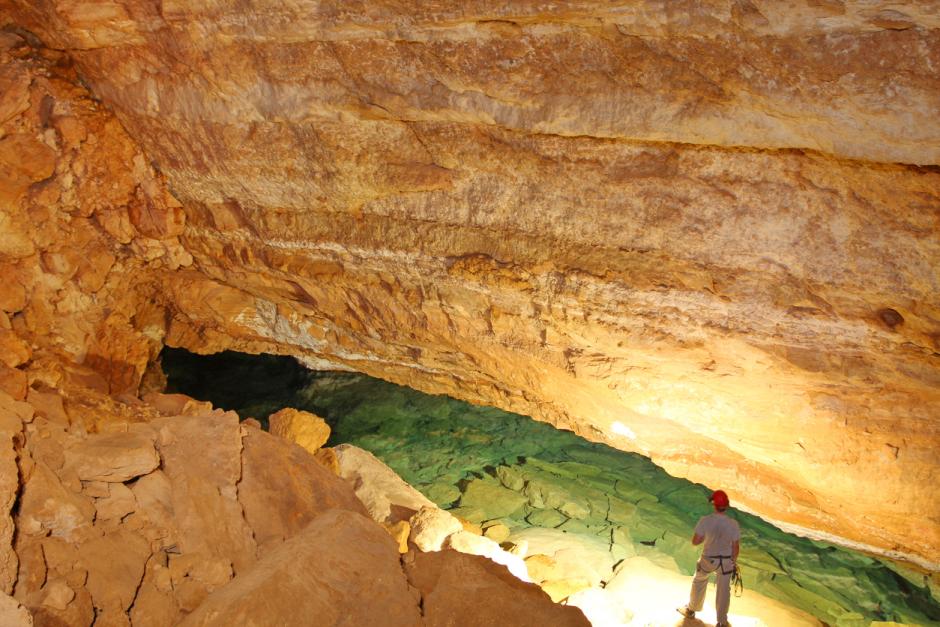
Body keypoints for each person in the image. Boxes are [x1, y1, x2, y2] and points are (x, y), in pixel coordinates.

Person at [677, 489, 740, 627]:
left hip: (708, 559)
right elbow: (735, 547)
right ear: (727, 506)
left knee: (699, 581)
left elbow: (695, 541)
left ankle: (691, 610)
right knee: (724, 591)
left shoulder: (705, 521)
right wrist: (733, 562)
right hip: (725, 561)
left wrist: (706, 536)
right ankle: (722, 622)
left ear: (714, 505)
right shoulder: (733, 524)